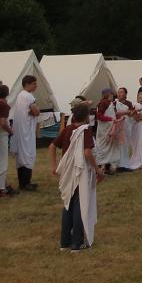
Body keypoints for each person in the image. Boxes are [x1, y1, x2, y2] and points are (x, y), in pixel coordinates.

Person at [49, 101, 103, 251]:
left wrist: (54, 166)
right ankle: (77, 243)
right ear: (86, 117)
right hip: (80, 172)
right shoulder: (85, 131)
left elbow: (52, 146)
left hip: (67, 171)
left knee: (68, 204)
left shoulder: (67, 129)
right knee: (80, 204)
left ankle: (65, 241)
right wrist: (98, 170)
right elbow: (87, 153)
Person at [11, 75, 41, 191]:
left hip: (21, 130)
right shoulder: (28, 96)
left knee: (21, 156)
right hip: (26, 130)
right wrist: (36, 111)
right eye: (34, 83)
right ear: (27, 84)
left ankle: (22, 182)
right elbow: (35, 111)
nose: (36, 86)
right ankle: (26, 183)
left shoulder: (20, 95)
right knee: (28, 154)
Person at [94, 88, 126, 175]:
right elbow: (99, 116)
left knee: (110, 148)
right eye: (111, 95)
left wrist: (121, 116)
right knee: (103, 148)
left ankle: (108, 168)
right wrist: (111, 119)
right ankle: (100, 169)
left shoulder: (110, 104)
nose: (113, 96)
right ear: (107, 95)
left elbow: (113, 114)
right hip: (104, 130)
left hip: (110, 128)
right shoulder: (103, 103)